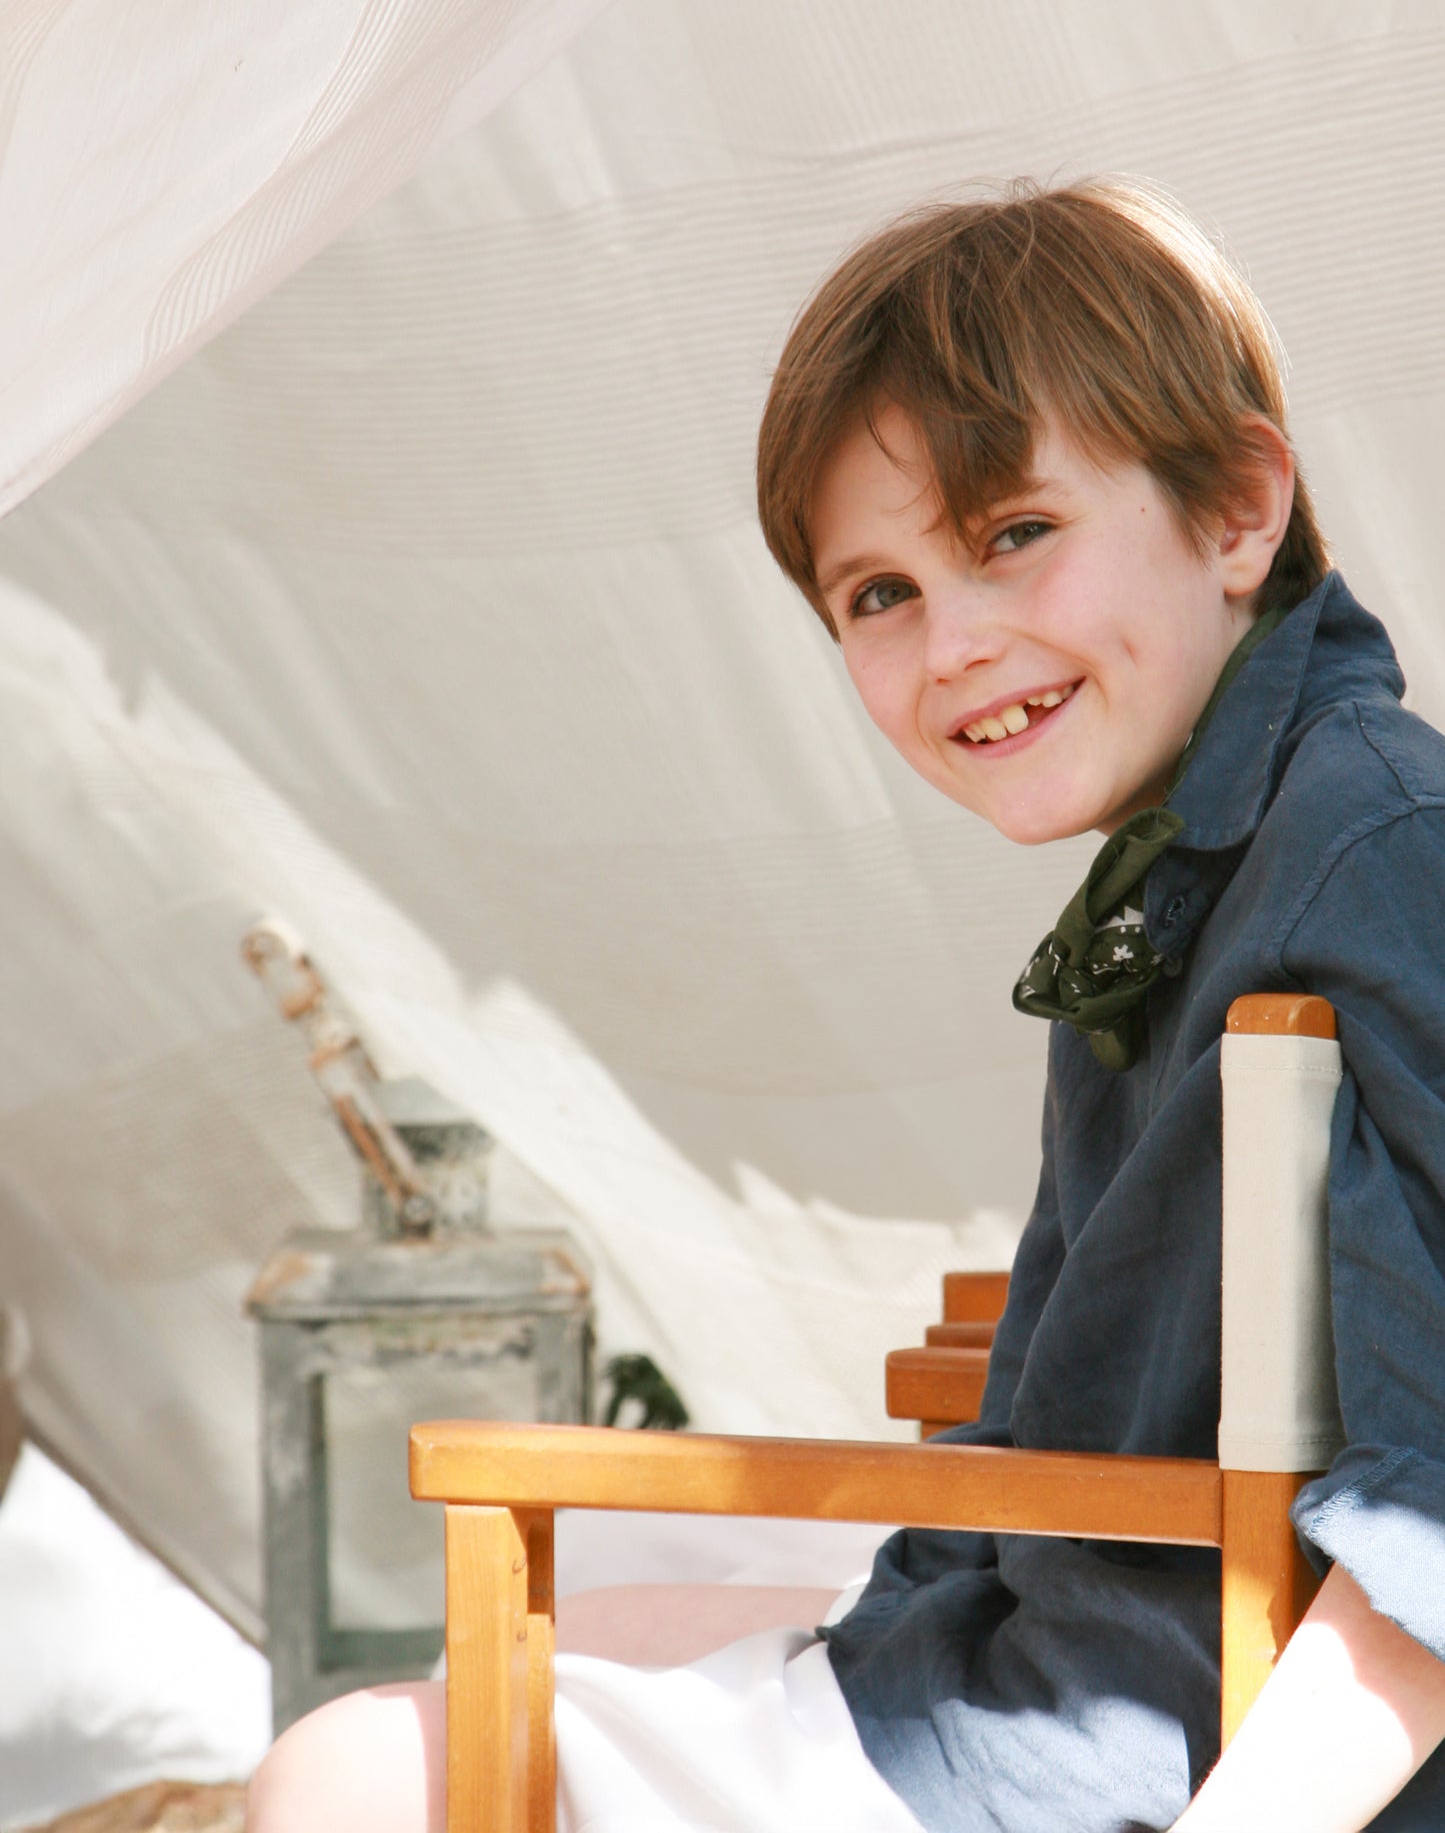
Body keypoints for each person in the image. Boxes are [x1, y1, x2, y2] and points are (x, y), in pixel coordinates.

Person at [247, 182, 1445, 1831]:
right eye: (877, 594)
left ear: (1238, 507)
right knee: (552, 1648)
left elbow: (1432, 1508)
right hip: (1057, 1627)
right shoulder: (1197, 872)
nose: (952, 644)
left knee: (350, 1773)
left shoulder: (1366, 852)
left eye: (1010, 534)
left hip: (1123, 1738)